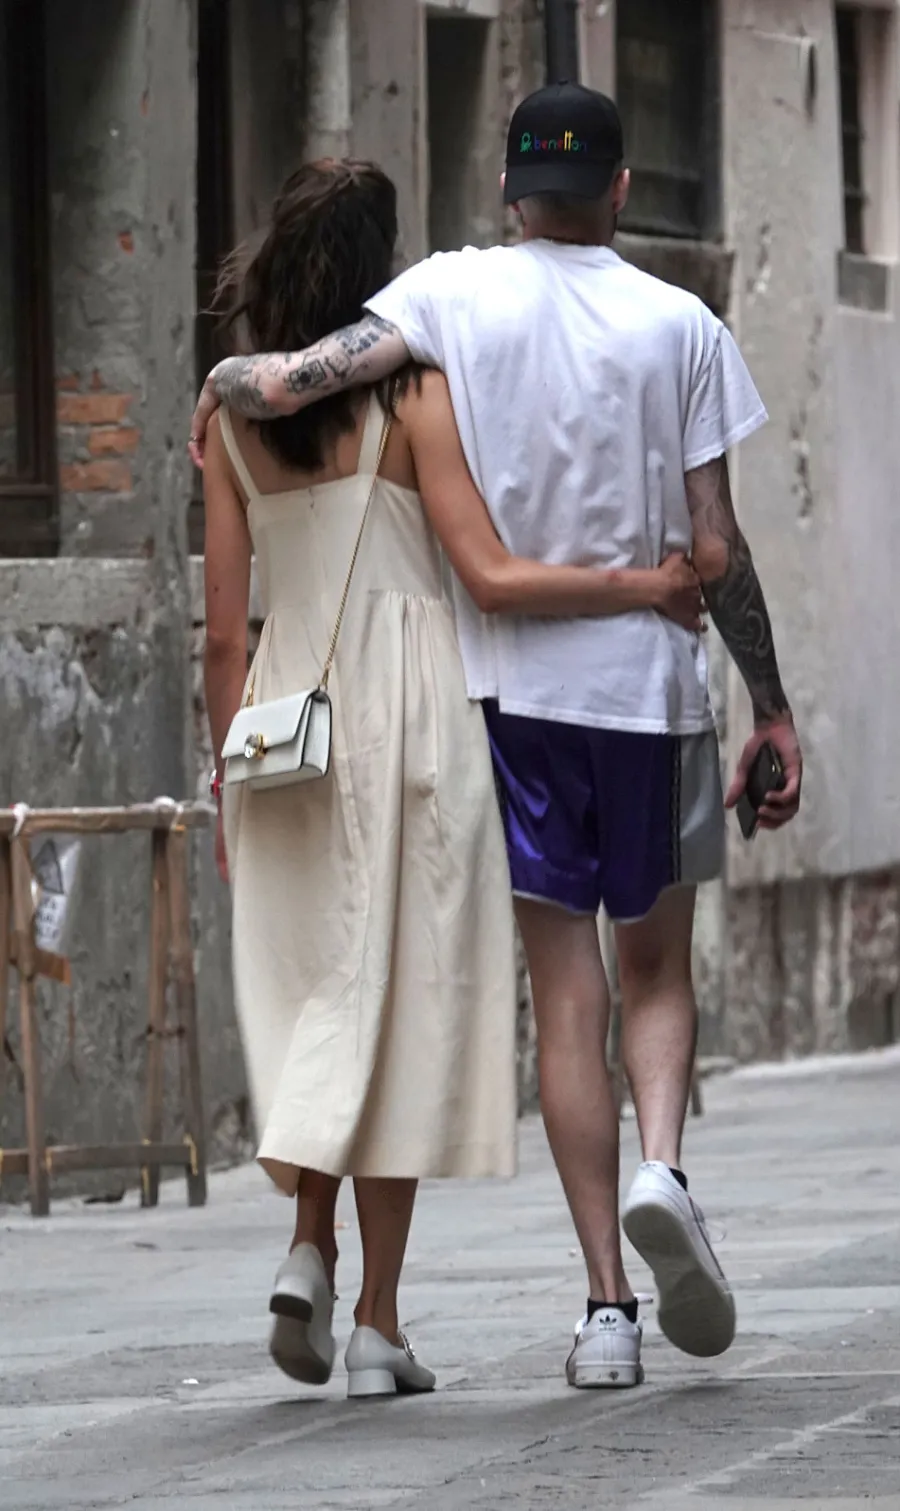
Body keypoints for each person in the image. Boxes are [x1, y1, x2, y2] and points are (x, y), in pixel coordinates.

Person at [193, 91, 802, 1390]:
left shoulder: (446, 297)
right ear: (624, 189)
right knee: (644, 975)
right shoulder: (679, 326)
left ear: (514, 193)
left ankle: (600, 1311)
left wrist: (227, 379)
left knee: (534, 1000)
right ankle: (657, 1167)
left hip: (478, 709)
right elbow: (711, 548)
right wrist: (771, 699)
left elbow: (288, 395)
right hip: (626, 694)